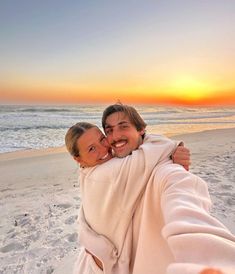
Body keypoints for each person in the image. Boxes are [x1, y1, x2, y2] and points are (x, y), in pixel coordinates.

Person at [65, 104, 235, 274]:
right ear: (78, 159)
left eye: (103, 138)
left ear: (141, 130)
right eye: (92, 149)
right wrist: (173, 147)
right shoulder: (111, 172)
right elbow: (150, 153)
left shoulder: (89, 170)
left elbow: (184, 207)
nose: (106, 146)